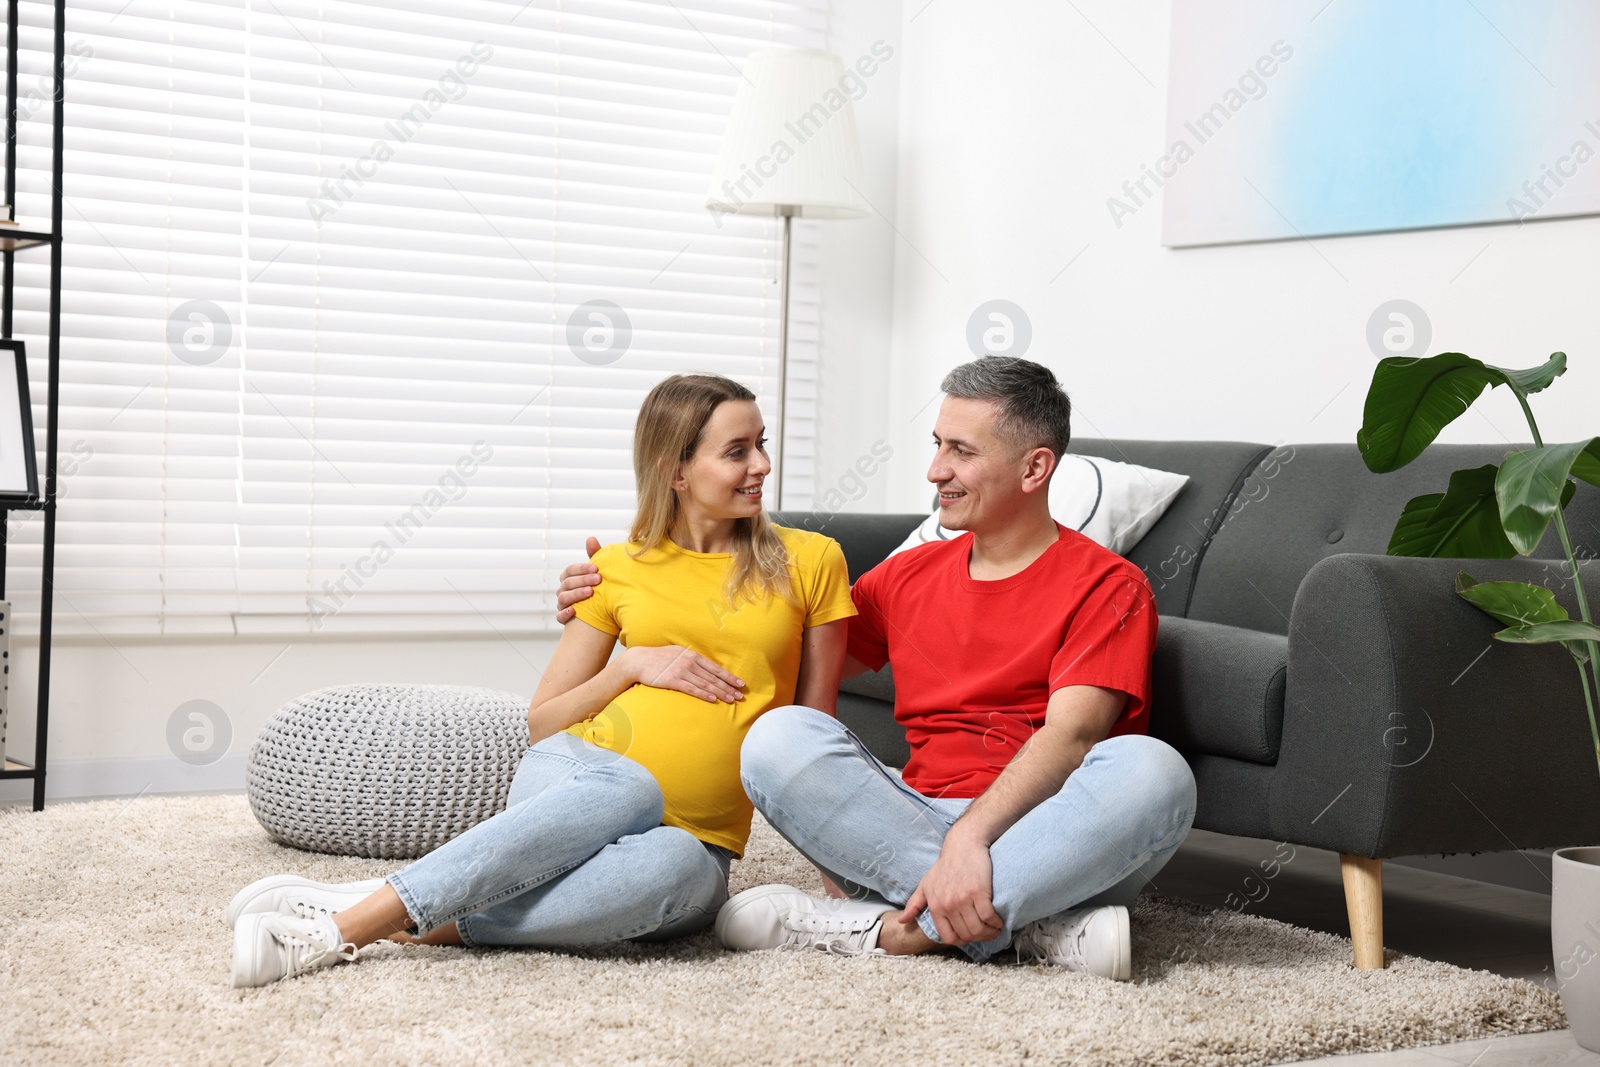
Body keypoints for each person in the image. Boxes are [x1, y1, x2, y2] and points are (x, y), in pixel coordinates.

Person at [556, 356, 1196, 980]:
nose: (935, 470)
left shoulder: (1109, 585)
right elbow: (766, 652)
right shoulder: (907, 577)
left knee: (1154, 771)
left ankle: (888, 930)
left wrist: (971, 842)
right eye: (938, 444)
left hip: (1047, 832)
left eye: (962, 453)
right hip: (908, 819)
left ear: (1035, 468)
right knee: (783, 735)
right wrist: (627, 585)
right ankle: (1033, 928)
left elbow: (1073, 736)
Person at [227, 373, 856, 987]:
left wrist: (842, 873)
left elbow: (813, 728)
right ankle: (343, 932)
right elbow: (543, 721)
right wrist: (631, 666)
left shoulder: (811, 561)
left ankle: (396, 906)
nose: (763, 465)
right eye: (737, 451)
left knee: (679, 875)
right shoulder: (615, 568)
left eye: (763, 443)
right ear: (676, 470)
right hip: (583, 774)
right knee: (633, 790)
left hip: (702, 840)